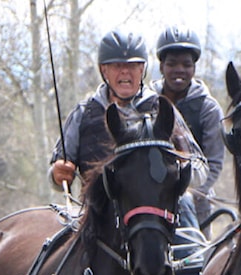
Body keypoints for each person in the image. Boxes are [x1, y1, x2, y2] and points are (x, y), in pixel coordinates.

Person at [48, 29, 208, 234]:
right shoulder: (83, 112)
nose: (125, 72)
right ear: (103, 70)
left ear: (142, 69)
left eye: (132, 65)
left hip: (156, 223)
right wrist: (57, 174)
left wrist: (178, 169)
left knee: (186, 212)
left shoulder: (162, 110)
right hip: (96, 220)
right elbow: (57, 174)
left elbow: (200, 169)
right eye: (117, 66)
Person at [152, 26, 226, 229]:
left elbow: (214, 163)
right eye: (172, 64)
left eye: (186, 64)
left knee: (196, 258)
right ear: (161, 67)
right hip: (152, 203)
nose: (179, 70)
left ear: (194, 68)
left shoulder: (208, 109)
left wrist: (189, 193)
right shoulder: (148, 103)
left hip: (196, 204)